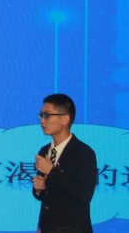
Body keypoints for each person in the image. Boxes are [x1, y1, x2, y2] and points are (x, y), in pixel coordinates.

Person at [32, 93, 97, 233]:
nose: (42, 120)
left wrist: (51, 172)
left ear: (65, 119)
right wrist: (38, 189)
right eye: (41, 115)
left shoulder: (83, 153)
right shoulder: (44, 150)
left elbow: (84, 195)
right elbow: (48, 195)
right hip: (47, 227)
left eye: (47, 115)